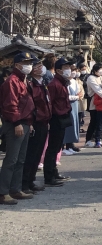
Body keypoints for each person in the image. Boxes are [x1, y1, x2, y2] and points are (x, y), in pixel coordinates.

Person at [0, 52, 38, 204]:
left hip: (26, 122)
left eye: (29, 62)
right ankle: (3, 192)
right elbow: (10, 105)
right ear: (17, 65)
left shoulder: (24, 80)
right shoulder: (12, 81)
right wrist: (16, 123)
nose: (29, 65)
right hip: (16, 123)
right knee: (11, 159)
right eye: (25, 62)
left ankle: (15, 189)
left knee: (20, 159)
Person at [43, 57, 74, 186]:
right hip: (56, 117)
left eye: (69, 67)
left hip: (63, 115)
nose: (69, 70)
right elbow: (50, 103)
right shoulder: (54, 84)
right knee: (52, 147)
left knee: (57, 147)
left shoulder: (62, 82)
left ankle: (54, 173)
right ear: (59, 70)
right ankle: (49, 177)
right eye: (66, 67)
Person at [22, 58, 50, 193]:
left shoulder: (42, 83)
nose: (41, 68)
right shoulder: (30, 84)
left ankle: (31, 179)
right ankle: (24, 182)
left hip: (44, 120)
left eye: (41, 65)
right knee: (31, 153)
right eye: (38, 65)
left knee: (38, 153)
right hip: (35, 121)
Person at [84, 63, 102, 148]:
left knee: (101, 122)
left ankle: (97, 138)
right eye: (100, 69)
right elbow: (97, 89)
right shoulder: (91, 78)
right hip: (94, 101)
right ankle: (88, 139)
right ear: (95, 70)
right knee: (94, 121)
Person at [62, 64, 82, 155]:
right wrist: (76, 97)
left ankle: (71, 144)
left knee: (74, 124)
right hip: (67, 105)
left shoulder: (74, 81)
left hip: (75, 105)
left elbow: (79, 92)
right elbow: (66, 96)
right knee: (67, 125)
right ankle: (63, 146)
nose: (73, 72)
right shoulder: (64, 82)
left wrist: (78, 96)